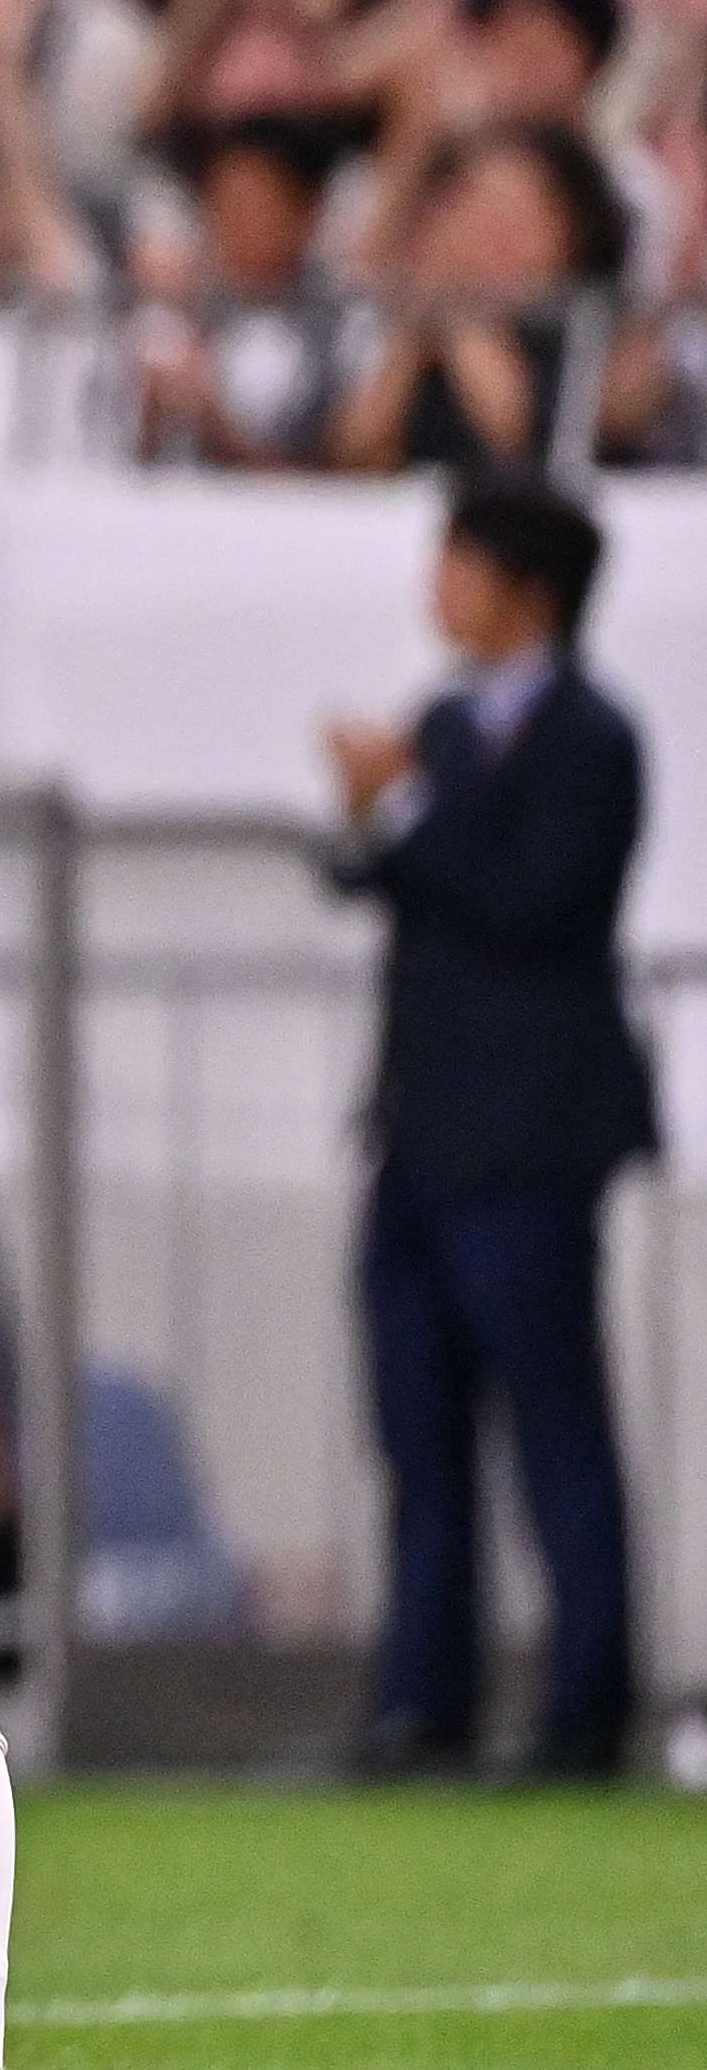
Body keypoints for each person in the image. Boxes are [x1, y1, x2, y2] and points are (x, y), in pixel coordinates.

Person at [323, 475, 653, 1780]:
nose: (437, 587)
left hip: (528, 1146)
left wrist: (402, 810)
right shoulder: (447, 724)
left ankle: (584, 1705)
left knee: (554, 1427)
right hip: (417, 1136)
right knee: (418, 1434)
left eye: (456, 561)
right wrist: (373, 809)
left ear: (523, 585)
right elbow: (375, 875)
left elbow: (530, 898)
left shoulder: (593, 739)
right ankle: (426, 1699)